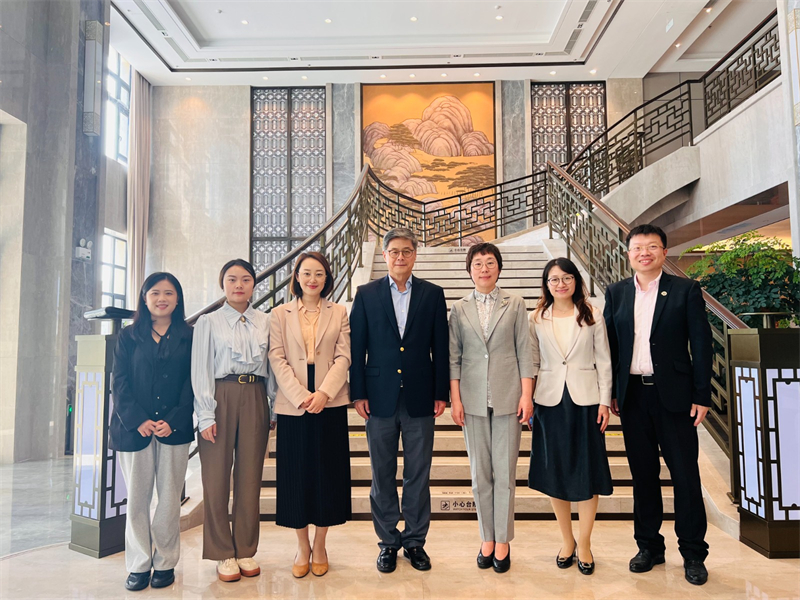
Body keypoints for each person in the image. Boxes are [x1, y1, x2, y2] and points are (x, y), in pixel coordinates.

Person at [603, 224, 712, 586]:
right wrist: (612, 391)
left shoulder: (685, 290)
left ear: (664, 252)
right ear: (628, 253)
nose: (644, 253)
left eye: (652, 246)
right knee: (643, 475)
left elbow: (702, 345)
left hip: (676, 398)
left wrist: (702, 395)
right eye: (637, 247)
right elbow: (611, 347)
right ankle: (649, 546)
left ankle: (693, 553)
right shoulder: (616, 293)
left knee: (685, 476)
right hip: (633, 397)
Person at [349, 227, 449, 573]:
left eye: (407, 251)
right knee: (382, 473)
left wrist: (441, 392)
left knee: (418, 473)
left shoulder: (433, 294)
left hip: (421, 397)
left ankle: (415, 542)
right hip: (378, 398)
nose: (400, 257)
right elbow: (357, 348)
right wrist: (358, 393)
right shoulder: (366, 294)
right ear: (384, 255)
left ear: (415, 255)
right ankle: (388, 542)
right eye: (394, 251)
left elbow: (441, 347)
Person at [448, 243, 534, 573]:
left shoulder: (515, 303)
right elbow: (454, 358)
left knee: (505, 474)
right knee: (480, 474)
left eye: (489, 263)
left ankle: (503, 540)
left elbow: (524, 351)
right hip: (472, 400)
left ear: (499, 267)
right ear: (469, 270)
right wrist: (456, 399)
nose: (484, 269)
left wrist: (526, 395)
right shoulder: (459, 308)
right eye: (478, 264)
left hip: (508, 397)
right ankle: (486, 536)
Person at [268, 252, 352, 578]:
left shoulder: (339, 312)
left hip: (329, 399)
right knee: (296, 474)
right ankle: (302, 546)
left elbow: (344, 357)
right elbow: (277, 358)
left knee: (328, 473)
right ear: (297, 277)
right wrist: (301, 396)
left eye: (319, 273)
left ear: (326, 278)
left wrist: (324, 392)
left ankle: (321, 544)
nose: (312, 279)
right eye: (306, 273)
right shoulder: (279, 314)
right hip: (294, 402)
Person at [528, 257, 613, 575]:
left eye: (566, 277)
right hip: (549, 401)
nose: (560, 284)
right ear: (546, 285)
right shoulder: (537, 317)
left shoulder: (592, 313)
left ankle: (586, 542)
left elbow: (604, 360)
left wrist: (604, 402)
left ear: (576, 280)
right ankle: (567, 541)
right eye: (554, 279)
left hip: (586, 401)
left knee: (588, 471)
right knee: (556, 472)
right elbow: (533, 362)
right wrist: (528, 400)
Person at [110, 272, 194, 592]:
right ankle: (139, 563)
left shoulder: (189, 336)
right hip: (134, 430)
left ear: (177, 298)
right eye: (155, 293)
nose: (162, 298)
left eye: (169, 293)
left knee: (170, 498)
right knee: (137, 500)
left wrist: (174, 418)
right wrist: (138, 420)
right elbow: (119, 382)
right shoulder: (128, 336)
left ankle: (166, 561)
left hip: (175, 427)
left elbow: (193, 382)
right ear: (144, 298)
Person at [192, 259, 271, 583]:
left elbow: (272, 367)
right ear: (222, 284)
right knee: (216, 479)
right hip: (219, 396)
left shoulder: (266, 321)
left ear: (254, 284)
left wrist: (273, 407)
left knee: (250, 478)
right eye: (232, 279)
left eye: (246, 279)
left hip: (255, 396)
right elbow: (200, 370)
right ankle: (222, 551)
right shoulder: (208, 322)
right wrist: (205, 414)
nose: (239, 285)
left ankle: (245, 549)